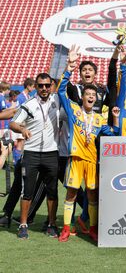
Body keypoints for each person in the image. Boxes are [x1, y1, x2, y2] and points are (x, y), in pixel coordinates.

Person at [57, 45, 118, 242]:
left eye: (93, 96)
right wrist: (70, 66)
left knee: (92, 196)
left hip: (92, 161)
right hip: (75, 159)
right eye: (87, 95)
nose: (91, 98)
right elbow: (60, 92)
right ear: (82, 97)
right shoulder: (74, 110)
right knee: (71, 194)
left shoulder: (100, 118)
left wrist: (115, 120)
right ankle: (66, 228)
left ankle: (92, 228)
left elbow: (114, 134)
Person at [9, 73, 60, 239]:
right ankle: (23, 224)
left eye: (47, 85)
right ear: (36, 86)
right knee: (27, 191)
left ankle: (52, 224)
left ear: (51, 85)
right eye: (40, 85)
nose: (44, 88)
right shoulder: (29, 104)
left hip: (52, 152)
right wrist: (22, 129)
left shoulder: (57, 101)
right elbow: (13, 123)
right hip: (31, 153)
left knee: (52, 191)